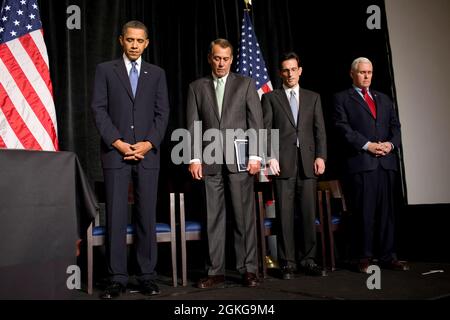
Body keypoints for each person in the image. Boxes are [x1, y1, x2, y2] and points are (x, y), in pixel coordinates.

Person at [91, 20, 170, 299]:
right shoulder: (105, 70)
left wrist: (148, 144)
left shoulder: (157, 73)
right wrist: (120, 143)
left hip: (148, 155)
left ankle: (147, 275)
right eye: (130, 40)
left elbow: (163, 114)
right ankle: (117, 277)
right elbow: (99, 110)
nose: (135, 45)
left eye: (140, 41)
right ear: (121, 41)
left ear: (147, 43)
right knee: (115, 215)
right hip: (116, 153)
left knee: (146, 215)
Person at [186, 38, 263, 288]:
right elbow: (193, 124)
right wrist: (194, 157)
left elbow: (256, 122)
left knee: (243, 218)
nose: (221, 63)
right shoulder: (197, 87)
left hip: (240, 160)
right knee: (213, 218)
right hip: (209, 161)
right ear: (210, 58)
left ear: (231, 59)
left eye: (226, 58)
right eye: (217, 58)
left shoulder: (246, 84)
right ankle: (215, 270)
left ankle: (248, 269)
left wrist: (255, 156)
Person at [333, 57, 409, 273]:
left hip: (386, 163)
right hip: (362, 164)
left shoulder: (383, 99)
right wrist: (367, 145)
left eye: (370, 72)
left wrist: (390, 145)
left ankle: (388, 256)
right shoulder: (342, 99)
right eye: (362, 72)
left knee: (387, 213)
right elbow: (342, 128)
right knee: (363, 213)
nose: (366, 76)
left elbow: (396, 127)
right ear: (352, 73)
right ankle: (363, 256)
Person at [261, 52, 327, 279]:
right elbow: (266, 130)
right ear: (281, 73)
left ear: (300, 70)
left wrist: (321, 156)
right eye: (285, 70)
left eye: (293, 69)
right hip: (283, 164)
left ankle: (308, 260)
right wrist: (270, 157)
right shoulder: (271, 98)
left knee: (308, 214)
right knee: (285, 215)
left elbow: (320, 130)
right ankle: (287, 262)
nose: (290, 74)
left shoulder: (313, 97)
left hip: (309, 164)